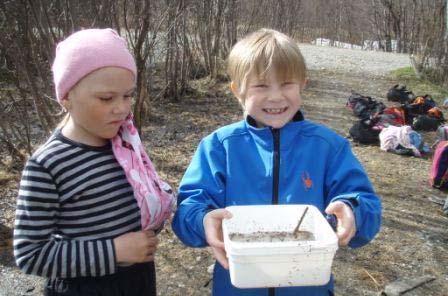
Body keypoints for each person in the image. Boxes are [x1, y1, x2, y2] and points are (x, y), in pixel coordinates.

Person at [172, 28, 382, 296]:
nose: (275, 97)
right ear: (238, 91)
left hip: (309, 286)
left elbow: (366, 204)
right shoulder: (219, 147)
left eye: (286, 84)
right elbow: (190, 206)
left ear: (303, 84)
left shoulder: (328, 147)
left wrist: (353, 211)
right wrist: (202, 221)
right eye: (261, 86)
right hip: (237, 287)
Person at [13, 28, 175, 296]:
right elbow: (31, 253)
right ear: (66, 97)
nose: (122, 108)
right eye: (106, 98)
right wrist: (114, 251)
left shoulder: (125, 144)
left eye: (127, 95)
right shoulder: (48, 164)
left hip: (138, 281)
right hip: (83, 288)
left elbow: (138, 202)